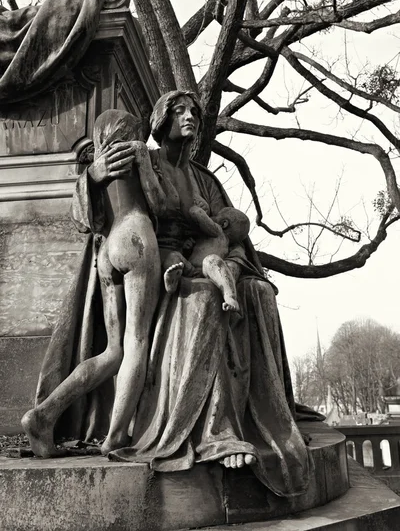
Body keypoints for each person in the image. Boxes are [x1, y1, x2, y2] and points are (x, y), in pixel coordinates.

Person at [34, 90, 317, 498]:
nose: (190, 118)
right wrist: (94, 176)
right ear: (160, 121)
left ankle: (257, 416)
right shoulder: (145, 159)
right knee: (193, 304)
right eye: (179, 111)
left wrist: (231, 266)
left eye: (194, 113)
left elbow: (234, 235)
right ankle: (210, 431)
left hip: (194, 262)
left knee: (259, 292)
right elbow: (92, 215)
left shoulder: (205, 178)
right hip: (151, 262)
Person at [21, 109, 162, 458]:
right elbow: (163, 206)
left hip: (108, 248)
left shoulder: (98, 165)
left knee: (112, 352)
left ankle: (44, 414)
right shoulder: (137, 152)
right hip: (136, 239)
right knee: (136, 343)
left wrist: (93, 175)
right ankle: (116, 437)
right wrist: (146, 165)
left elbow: (84, 219)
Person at [163, 206, 250, 312]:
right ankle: (172, 283)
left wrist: (196, 207)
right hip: (192, 268)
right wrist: (188, 247)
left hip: (204, 269)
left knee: (211, 260)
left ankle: (230, 296)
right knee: (174, 256)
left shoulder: (217, 230)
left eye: (217, 216)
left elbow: (196, 213)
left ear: (224, 223)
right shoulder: (225, 246)